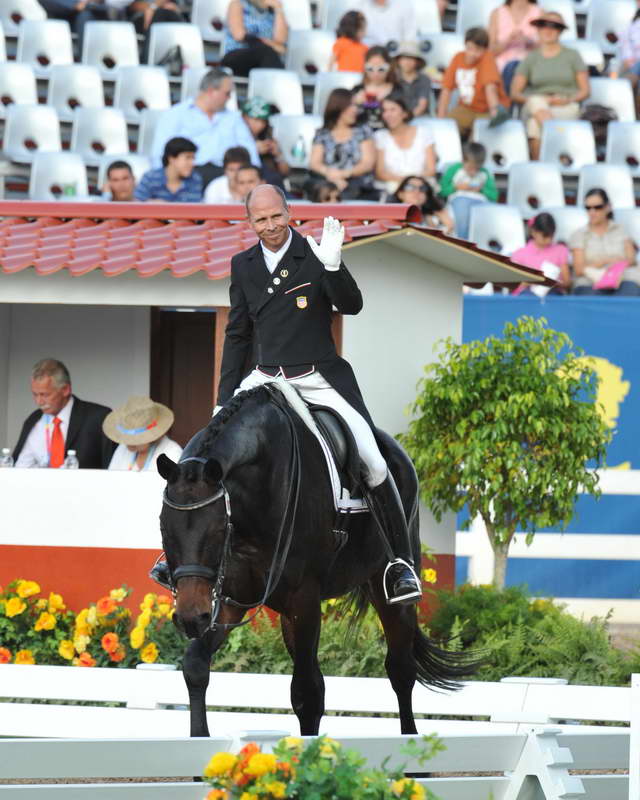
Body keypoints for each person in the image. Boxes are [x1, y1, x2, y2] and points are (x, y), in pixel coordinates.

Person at [210, 184, 422, 605]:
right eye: (260, 220)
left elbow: (352, 305)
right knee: (204, 452)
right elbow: (238, 334)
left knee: (374, 460)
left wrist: (333, 266)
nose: (270, 226)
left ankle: (400, 565)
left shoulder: (314, 253)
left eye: (276, 216)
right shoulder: (243, 264)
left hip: (316, 376)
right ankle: (181, 556)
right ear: (249, 222)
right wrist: (223, 398)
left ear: (289, 212)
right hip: (264, 377)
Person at [150, 68, 260, 185]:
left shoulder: (234, 118)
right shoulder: (175, 114)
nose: (229, 98)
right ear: (211, 91)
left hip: (227, 178)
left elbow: (250, 151)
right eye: (227, 93)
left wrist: (255, 175)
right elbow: (160, 153)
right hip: (188, 175)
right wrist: (164, 182)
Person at [510, 11, 589, 160]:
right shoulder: (531, 57)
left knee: (534, 125)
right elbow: (515, 92)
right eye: (543, 25)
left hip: (565, 105)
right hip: (537, 102)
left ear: (560, 31)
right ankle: (558, 149)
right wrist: (543, 100)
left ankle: (540, 166)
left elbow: (585, 90)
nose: (548, 30)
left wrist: (568, 99)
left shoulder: (572, 55)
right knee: (535, 101)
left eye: (554, 26)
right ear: (538, 29)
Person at [13, 358, 115, 469]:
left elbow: (113, 467)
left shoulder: (99, 418)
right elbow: (21, 465)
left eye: (45, 395)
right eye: (35, 394)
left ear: (65, 389)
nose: (39, 402)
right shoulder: (33, 419)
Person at [437, 26, 511, 140]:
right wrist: (440, 119)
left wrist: (494, 112)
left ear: (485, 50)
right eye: (470, 48)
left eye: (478, 50)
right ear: (465, 45)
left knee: (479, 135)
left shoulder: (487, 58)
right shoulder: (458, 58)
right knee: (447, 129)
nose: (472, 53)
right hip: (466, 108)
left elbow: (490, 87)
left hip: (487, 109)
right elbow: (446, 89)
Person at [569, 188, 640, 296]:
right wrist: (608, 262)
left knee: (630, 291)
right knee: (591, 298)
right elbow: (579, 269)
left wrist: (612, 269)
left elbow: (632, 259)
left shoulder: (620, 230)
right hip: (590, 282)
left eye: (597, 207)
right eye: (588, 208)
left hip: (622, 279)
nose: (592, 212)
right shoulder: (579, 234)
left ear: (608, 207)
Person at [310, 88, 377, 200]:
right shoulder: (323, 133)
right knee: (323, 190)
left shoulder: (363, 131)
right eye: (351, 105)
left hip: (357, 183)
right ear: (338, 107)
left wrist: (344, 174)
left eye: (356, 105)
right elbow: (315, 163)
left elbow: (367, 163)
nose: (355, 109)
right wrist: (331, 174)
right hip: (329, 180)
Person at [374, 93, 436, 195]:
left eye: (392, 110)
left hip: (421, 184)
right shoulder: (380, 136)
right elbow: (380, 173)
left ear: (405, 113)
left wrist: (413, 183)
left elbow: (431, 169)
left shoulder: (424, 133)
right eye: (384, 111)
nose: (387, 115)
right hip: (392, 187)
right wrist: (404, 182)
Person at [103, 396, 182, 471]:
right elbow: (110, 478)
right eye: (127, 438)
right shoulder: (122, 449)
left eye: (134, 439)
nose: (129, 443)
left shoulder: (172, 452)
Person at [439, 142, 498, 240]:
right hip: (459, 199)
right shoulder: (454, 170)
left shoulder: (485, 173)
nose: (473, 172)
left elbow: (494, 196)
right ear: (463, 160)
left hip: (480, 201)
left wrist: (481, 190)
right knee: (462, 210)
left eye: (477, 169)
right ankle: (463, 240)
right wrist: (456, 187)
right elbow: (442, 191)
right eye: (470, 168)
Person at [221, 0, 288, 78]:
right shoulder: (238, 4)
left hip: (264, 59)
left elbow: (281, 40)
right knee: (265, 51)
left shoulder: (272, 12)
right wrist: (273, 46)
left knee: (270, 55)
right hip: (237, 55)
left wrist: (278, 9)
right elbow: (239, 35)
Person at [510, 212, 570, 294]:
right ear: (533, 232)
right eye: (545, 236)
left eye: (551, 236)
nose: (548, 240)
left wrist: (554, 283)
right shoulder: (520, 254)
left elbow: (566, 282)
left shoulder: (560, 250)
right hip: (527, 296)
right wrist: (531, 282)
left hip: (552, 294)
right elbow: (513, 284)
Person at [488, 0, 539, 95]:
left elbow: (546, 49)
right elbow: (490, 51)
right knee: (511, 67)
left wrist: (528, 41)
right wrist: (508, 41)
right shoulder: (497, 13)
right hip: (501, 69)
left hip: (530, 68)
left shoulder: (539, 12)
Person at [135, 137, 203, 202]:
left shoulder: (195, 179)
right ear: (171, 158)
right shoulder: (150, 178)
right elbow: (136, 203)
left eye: (193, 158)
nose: (192, 163)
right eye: (188, 158)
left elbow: (194, 207)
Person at [241, 97, 289, 188]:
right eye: (256, 119)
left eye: (263, 121)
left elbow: (285, 172)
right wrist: (253, 150)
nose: (260, 125)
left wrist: (278, 155)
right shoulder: (234, 138)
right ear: (244, 117)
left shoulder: (268, 138)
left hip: (275, 187)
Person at [353, 46, 399, 131]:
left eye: (381, 69)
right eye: (370, 68)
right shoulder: (357, 90)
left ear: (389, 67)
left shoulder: (398, 90)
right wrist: (354, 103)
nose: (376, 73)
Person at [394, 41, 431, 117]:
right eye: (404, 58)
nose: (407, 62)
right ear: (398, 60)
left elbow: (422, 106)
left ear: (417, 62)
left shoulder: (424, 79)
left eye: (411, 58)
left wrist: (409, 118)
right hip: (396, 117)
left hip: (419, 118)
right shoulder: (392, 77)